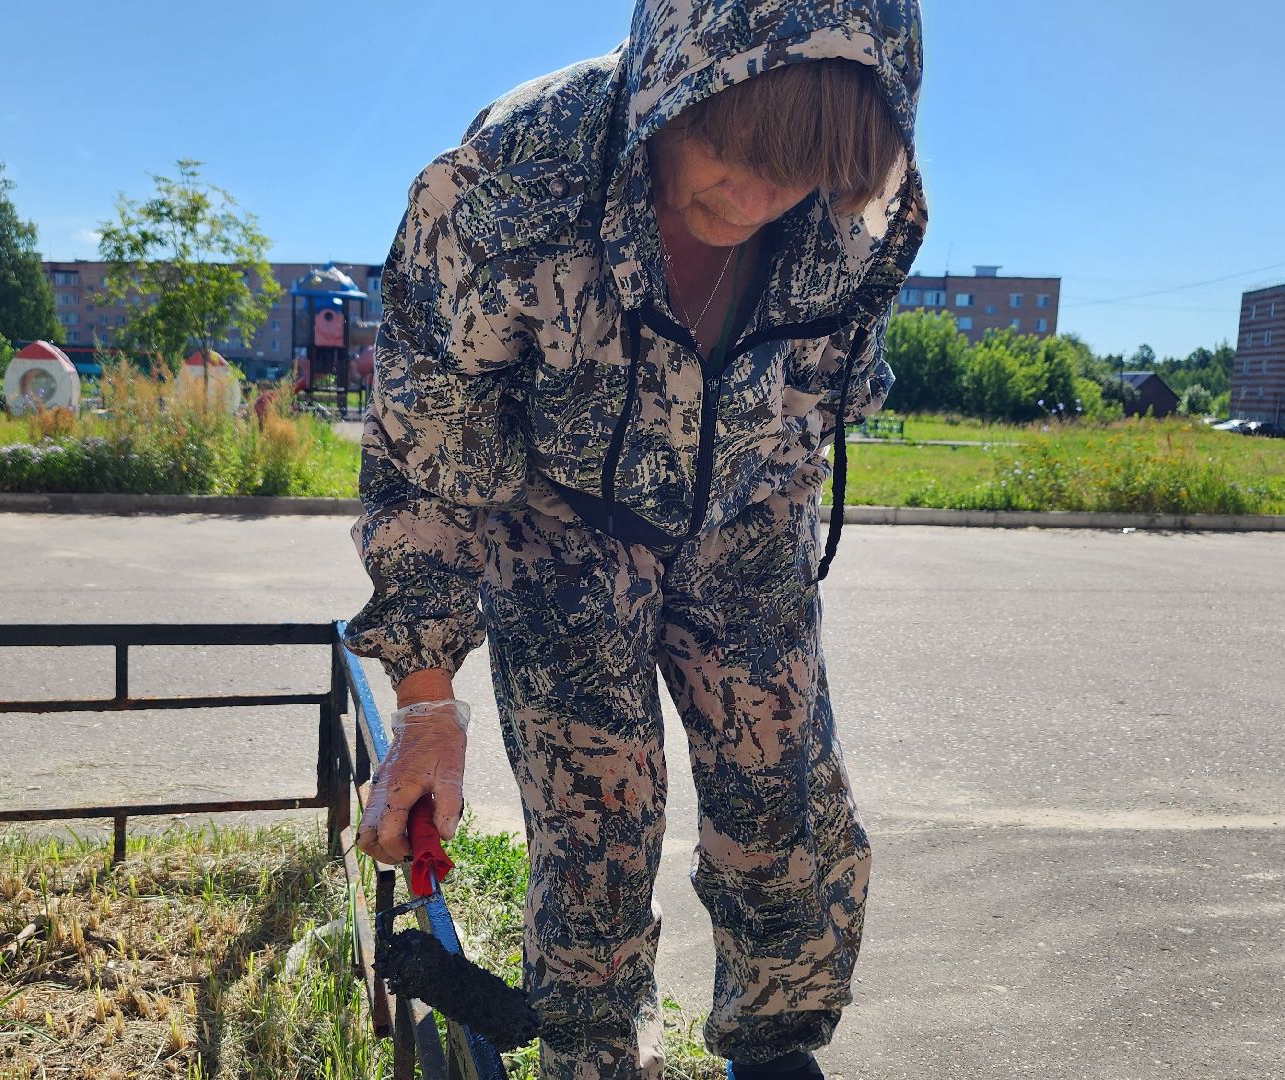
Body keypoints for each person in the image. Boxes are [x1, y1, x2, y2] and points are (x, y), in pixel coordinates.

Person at [348, 1, 927, 1076]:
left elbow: (823, 396)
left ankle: (775, 1049)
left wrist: (769, 519)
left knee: (786, 810)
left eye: (795, 172)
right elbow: (426, 456)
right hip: (556, 522)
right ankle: (598, 1058)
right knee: (594, 832)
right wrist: (425, 705)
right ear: (667, 86)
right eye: (729, 147)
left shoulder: (857, 211)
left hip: (746, 514)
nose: (752, 196)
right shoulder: (507, 191)